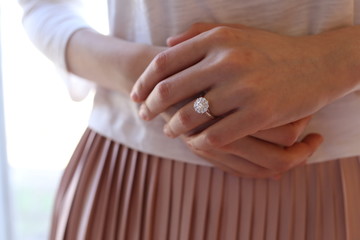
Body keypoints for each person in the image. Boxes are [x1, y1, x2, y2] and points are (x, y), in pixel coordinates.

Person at [18, 0, 360, 239]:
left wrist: (335, 61)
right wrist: (145, 76)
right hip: (131, 182)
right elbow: (44, 6)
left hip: (343, 180)